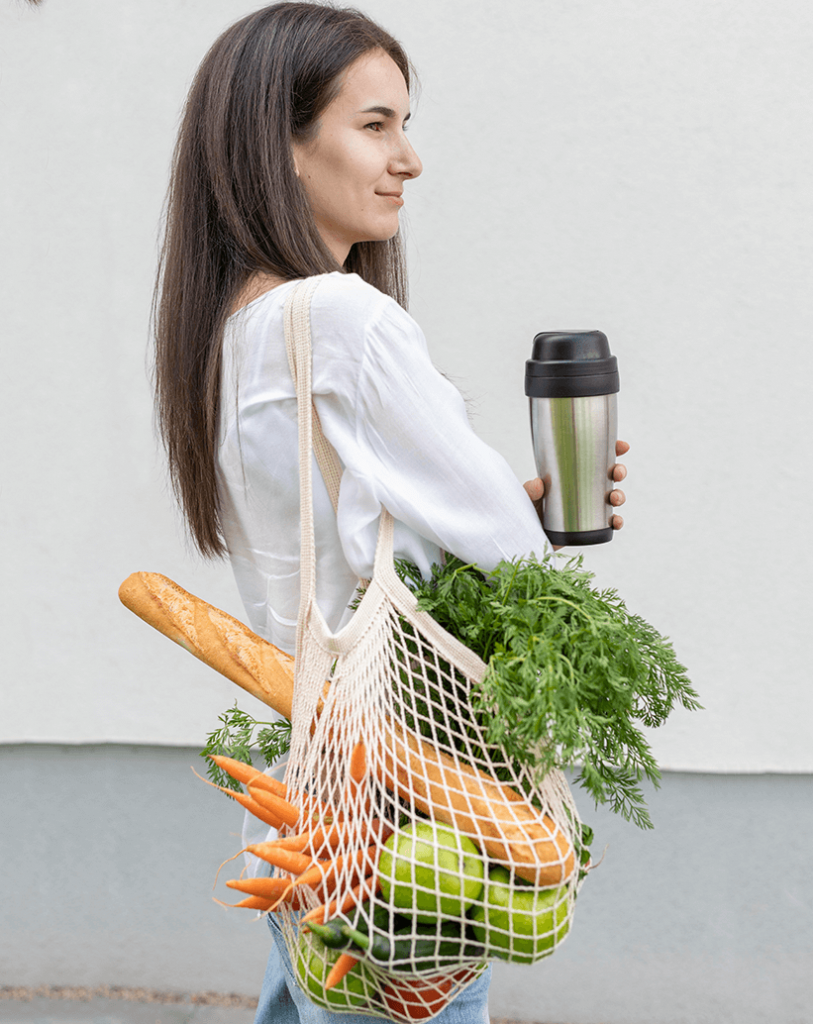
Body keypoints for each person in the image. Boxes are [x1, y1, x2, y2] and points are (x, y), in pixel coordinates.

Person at [153, 4, 627, 1022]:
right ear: (277, 144)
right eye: (375, 125)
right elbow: (503, 548)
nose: (407, 157)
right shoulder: (342, 319)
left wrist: (509, 507)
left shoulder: (231, 334)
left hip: (305, 812)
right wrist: (535, 513)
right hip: (409, 830)